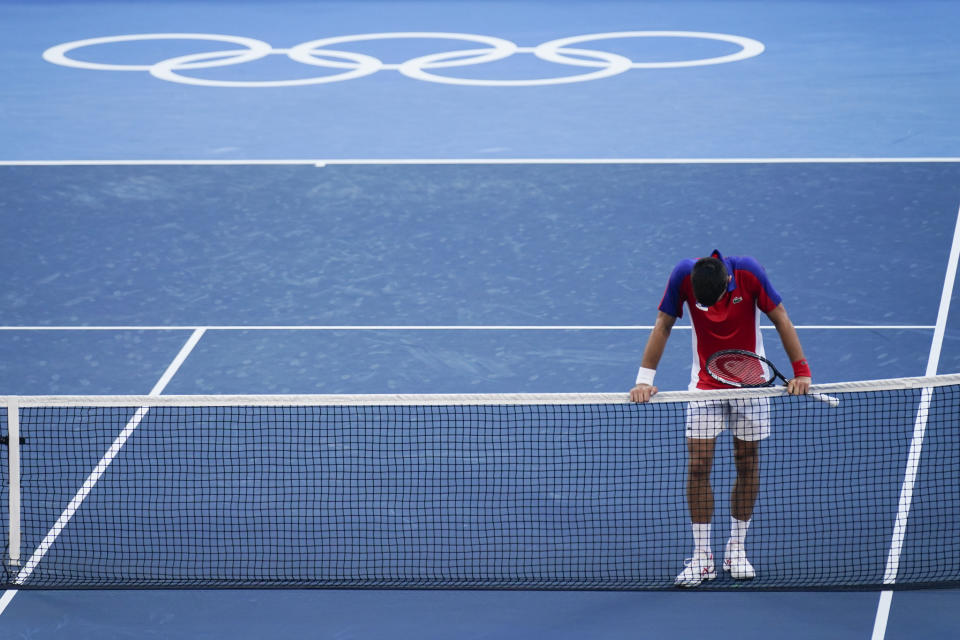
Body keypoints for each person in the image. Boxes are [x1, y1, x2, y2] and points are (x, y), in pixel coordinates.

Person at [629, 250, 812, 587]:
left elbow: (781, 316)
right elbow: (664, 324)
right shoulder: (683, 275)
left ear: (728, 282)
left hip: (750, 383)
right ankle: (702, 558)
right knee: (698, 465)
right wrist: (644, 379)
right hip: (704, 385)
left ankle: (736, 549)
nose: (709, 310)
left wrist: (802, 372)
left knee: (747, 461)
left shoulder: (749, 272)